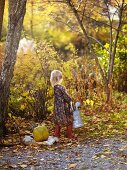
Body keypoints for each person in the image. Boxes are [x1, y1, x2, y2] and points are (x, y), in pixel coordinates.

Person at [50, 70, 73, 140]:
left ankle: (57, 135)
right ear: (59, 78)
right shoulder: (61, 87)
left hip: (57, 109)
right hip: (63, 109)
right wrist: (70, 100)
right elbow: (66, 97)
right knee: (69, 122)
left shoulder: (54, 88)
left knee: (57, 123)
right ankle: (69, 136)